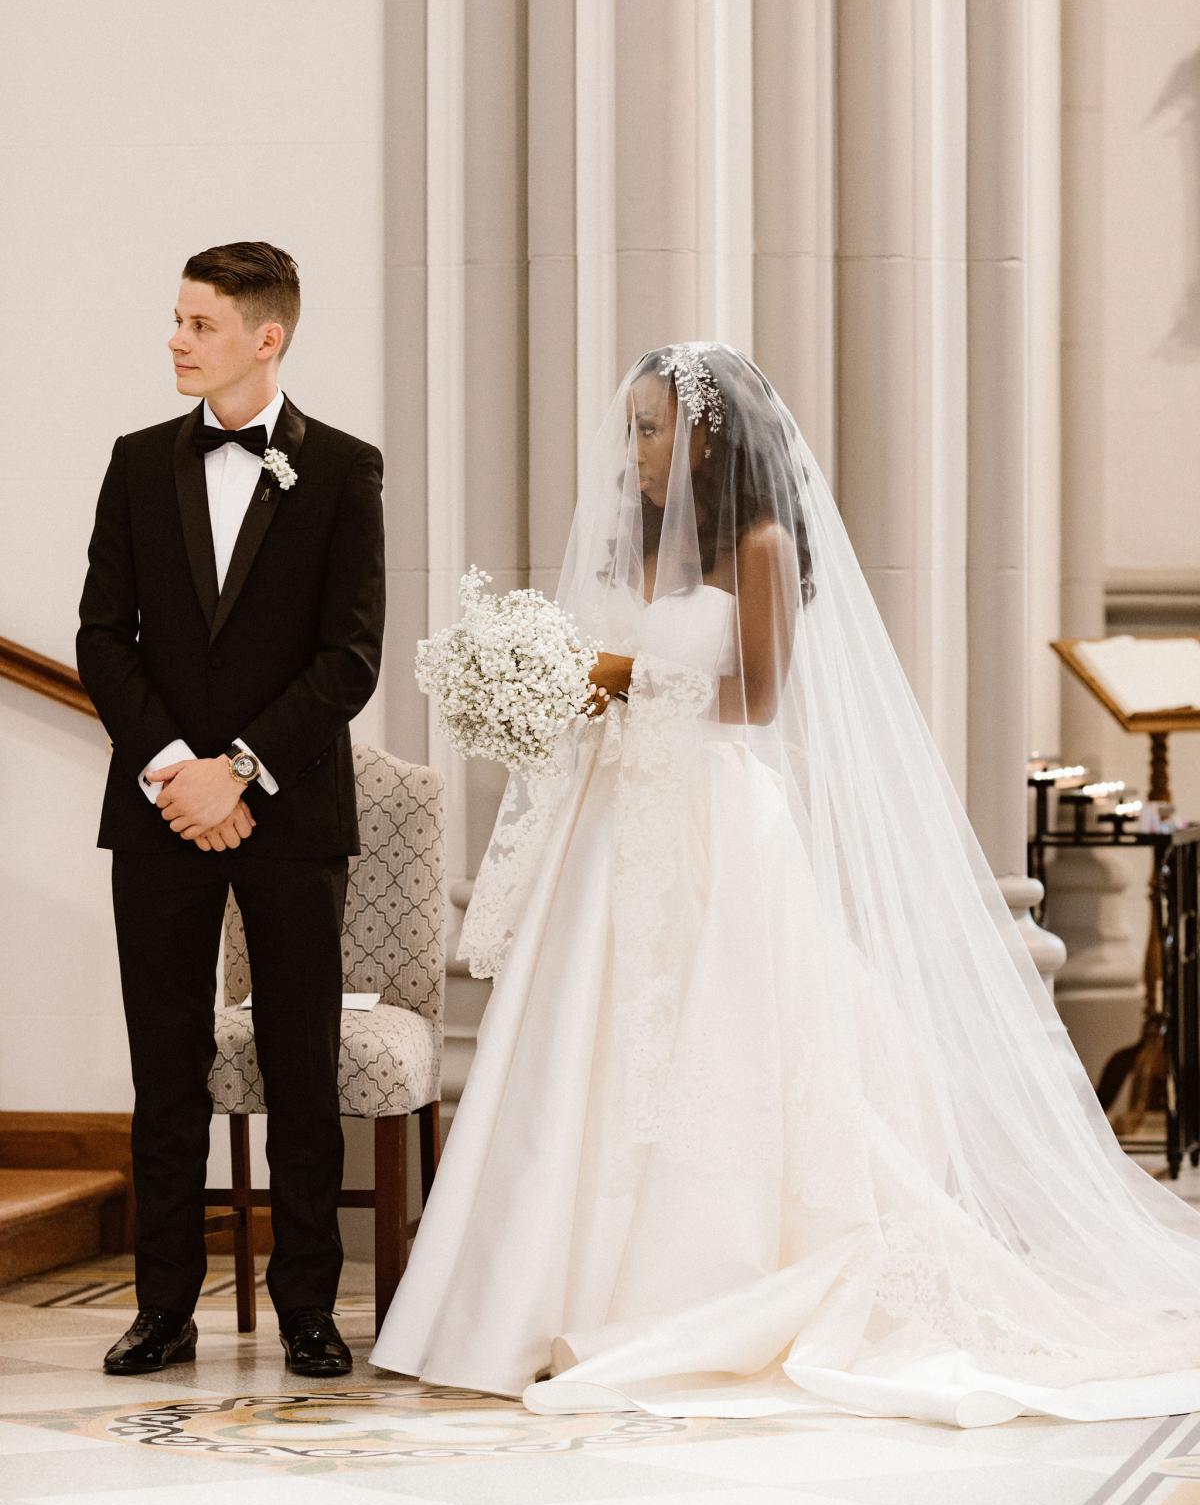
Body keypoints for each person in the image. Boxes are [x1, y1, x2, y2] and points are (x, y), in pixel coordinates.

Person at [371, 341, 1200, 1428]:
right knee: (586, 1039)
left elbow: (756, 699)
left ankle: (691, 1280)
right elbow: (623, 673)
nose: (636, 451)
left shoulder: (759, 545)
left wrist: (616, 678)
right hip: (620, 822)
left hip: (714, 818)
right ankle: (528, 1294)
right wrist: (542, 686)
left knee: (721, 1048)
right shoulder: (646, 552)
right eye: (631, 428)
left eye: (653, 427)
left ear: (712, 434)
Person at [77, 241, 385, 1377]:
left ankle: (308, 1303)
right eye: (175, 319)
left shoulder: (345, 470)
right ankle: (163, 1307)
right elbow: (103, 636)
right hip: (159, 810)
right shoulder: (135, 461)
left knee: (300, 1062)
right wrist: (176, 768)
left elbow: (349, 659)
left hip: (290, 813)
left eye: (197, 323)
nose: (174, 338)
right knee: (165, 1068)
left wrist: (240, 772)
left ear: (269, 336)